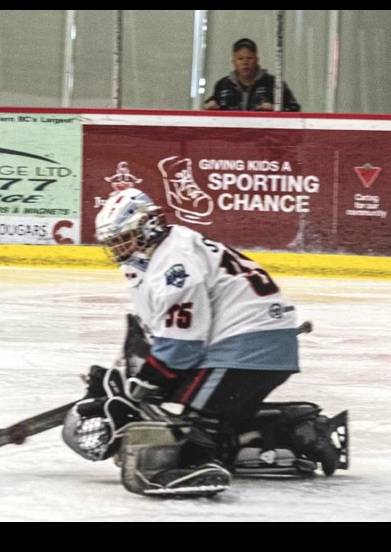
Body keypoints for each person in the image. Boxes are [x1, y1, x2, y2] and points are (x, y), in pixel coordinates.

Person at [62, 188, 348, 497]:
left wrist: (146, 381)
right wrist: (137, 376)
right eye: (113, 243)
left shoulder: (174, 266)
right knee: (212, 416)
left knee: (185, 420)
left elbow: (182, 346)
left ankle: (192, 465)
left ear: (148, 227)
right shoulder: (168, 250)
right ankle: (295, 432)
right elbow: (163, 335)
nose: (118, 249)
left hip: (245, 347)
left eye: (123, 238)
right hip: (256, 344)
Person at [203, 38, 301, 112]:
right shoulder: (223, 85)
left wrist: (275, 109)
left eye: (249, 58)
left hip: (266, 137)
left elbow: (294, 109)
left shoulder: (274, 84)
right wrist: (210, 106)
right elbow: (210, 106)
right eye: (240, 59)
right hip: (230, 138)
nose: (245, 63)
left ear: (257, 60)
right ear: (233, 62)